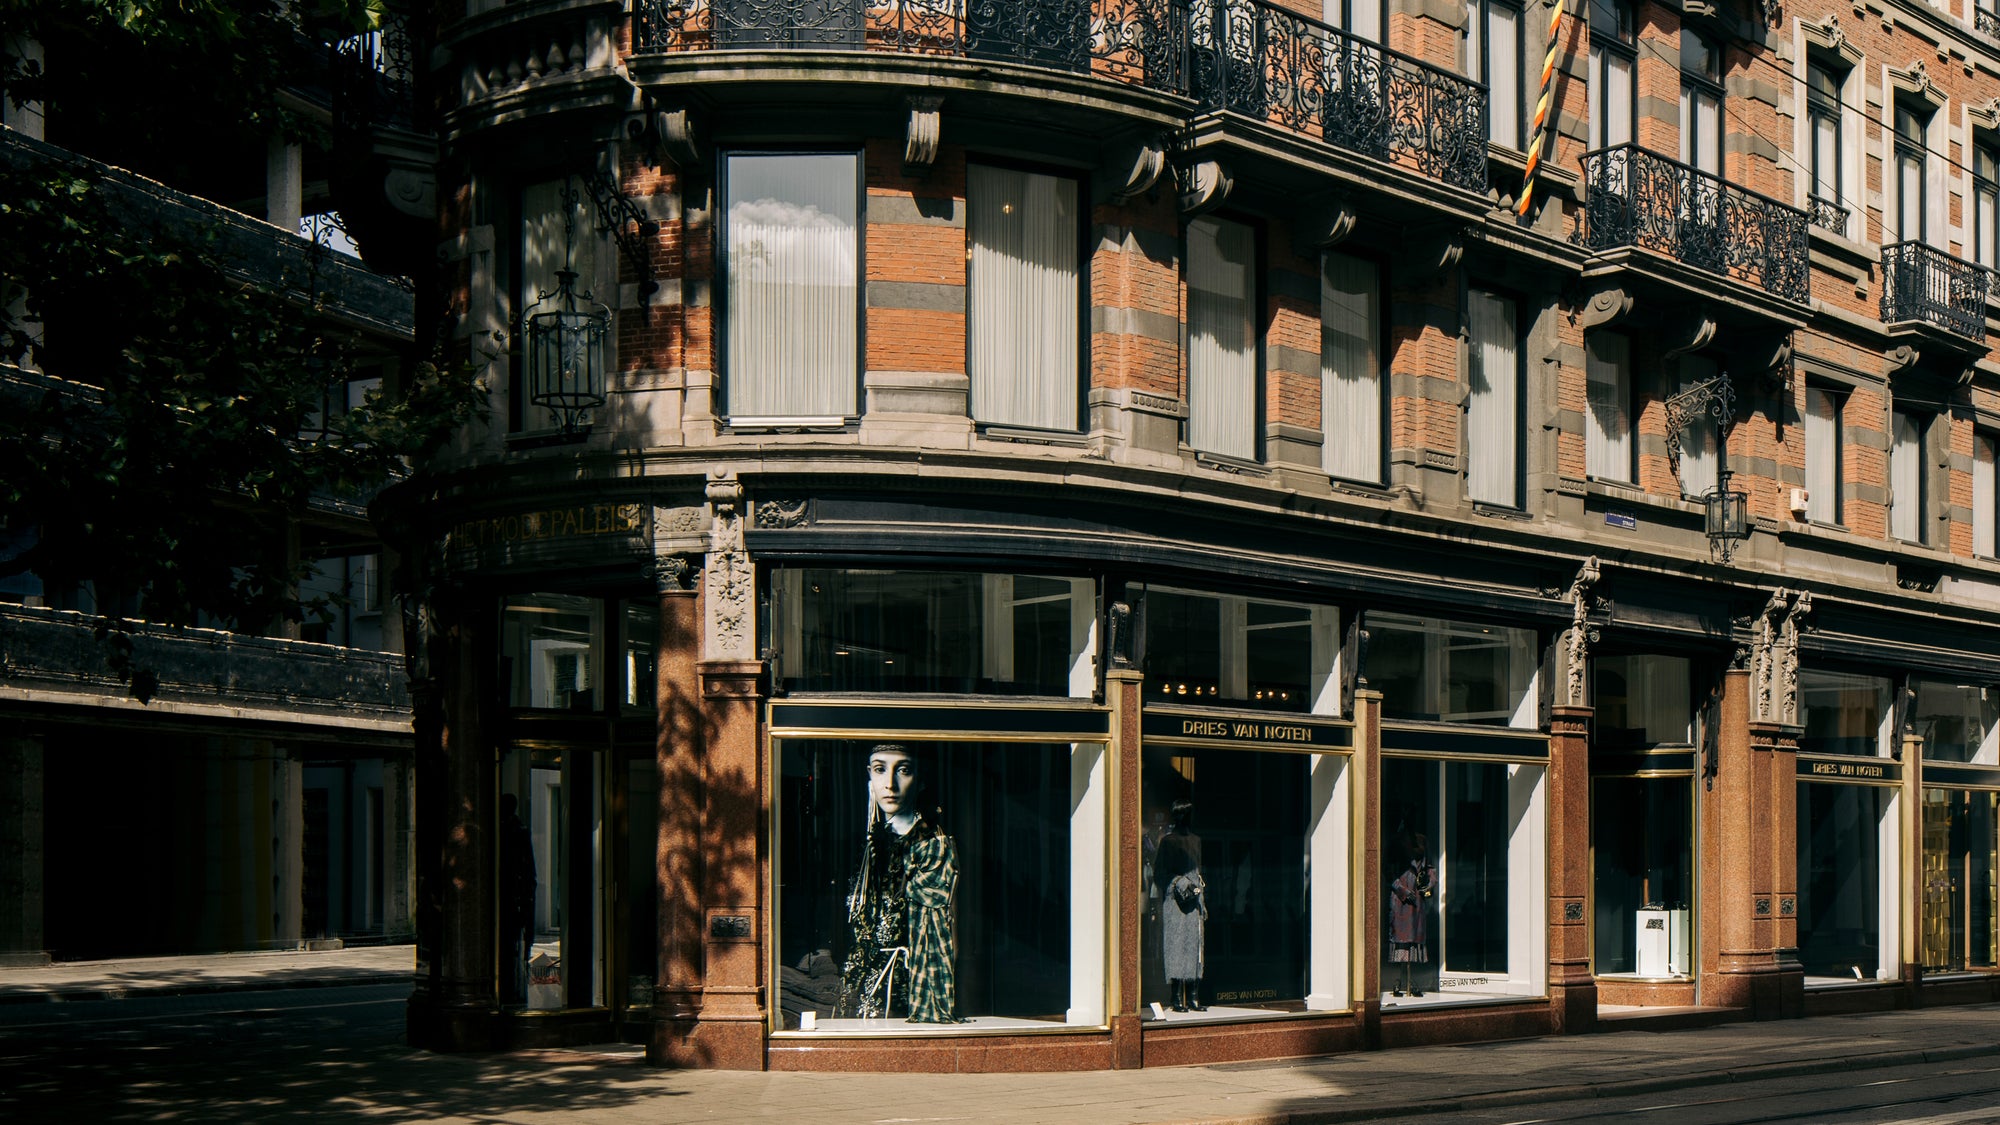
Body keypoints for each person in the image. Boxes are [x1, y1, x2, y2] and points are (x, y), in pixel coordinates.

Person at [835, 744, 962, 1023]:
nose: (889, 784)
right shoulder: (868, 843)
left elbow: (943, 929)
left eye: (903, 771)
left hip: (903, 985)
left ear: (920, 780)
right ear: (870, 776)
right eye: (880, 770)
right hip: (859, 983)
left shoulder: (933, 846)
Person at [1153, 798, 1207, 1013]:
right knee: (1176, 945)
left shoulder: (1196, 840)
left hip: (1194, 900)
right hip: (1175, 901)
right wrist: (1178, 883)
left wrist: (1200, 897)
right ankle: (1176, 997)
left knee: (1194, 945)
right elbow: (1159, 874)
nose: (1186, 819)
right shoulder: (1167, 842)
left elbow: (1199, 870)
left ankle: (1193, 996)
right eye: (1183, 814)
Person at [499, 793, 537, 1005]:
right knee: (511, 947)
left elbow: (528, 870)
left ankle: (512, 989)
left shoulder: (516, 832)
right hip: (514, 897)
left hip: (514, 898)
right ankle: (511, 989)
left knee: (513, 947)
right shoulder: (515, 831)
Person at [1388, 833, 1435, 997]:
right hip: (1402, 904)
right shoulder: (1398, 848)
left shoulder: (1423, 849)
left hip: (1416, 904)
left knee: (1413, 943)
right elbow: (1389, 874)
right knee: (1401, 942)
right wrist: (1403, 891)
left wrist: (1428, 887)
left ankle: (1410, 982)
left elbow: (1431, 872)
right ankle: (1399, 982)